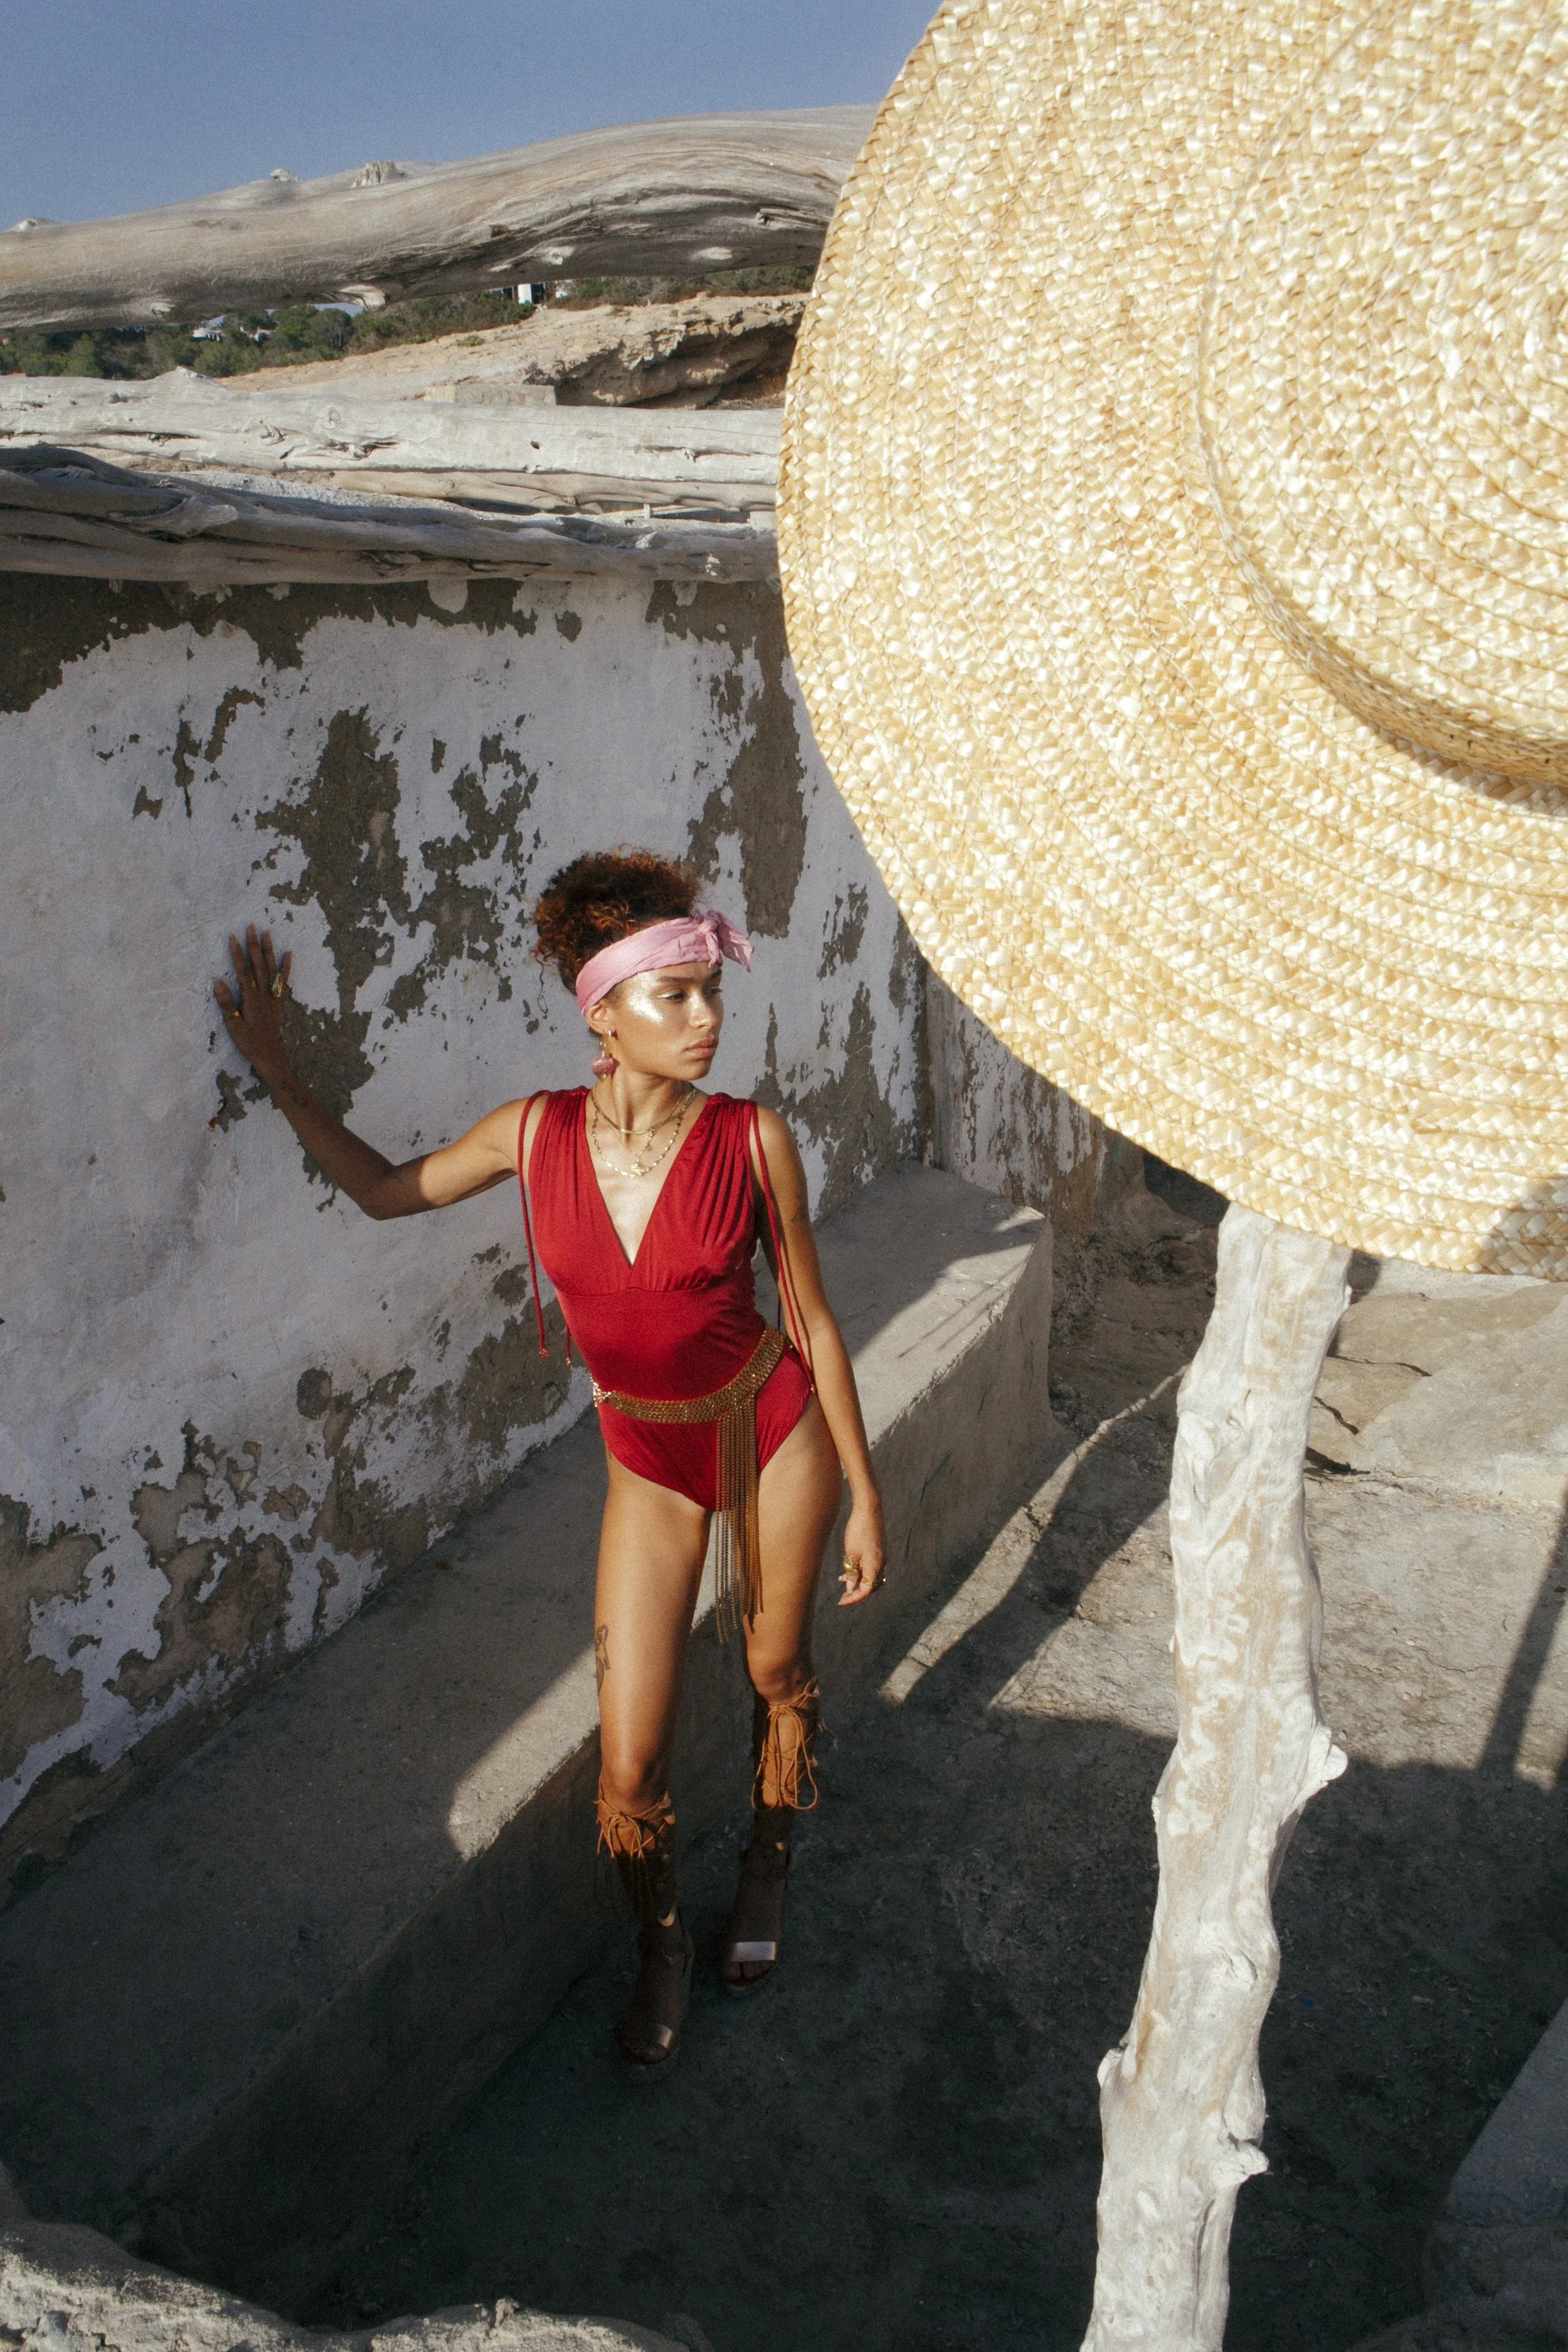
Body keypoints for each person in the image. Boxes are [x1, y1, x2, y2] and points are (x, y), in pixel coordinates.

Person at [215, 845, 887, 2079]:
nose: (707, 1016)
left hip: (769, 1430)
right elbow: (384, 1191)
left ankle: (767, 1862)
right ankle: (661, 1942)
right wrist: (278, 1070)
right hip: (648, 1464)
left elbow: (814, 1321)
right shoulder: (532, 1135)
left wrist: (865, 1493)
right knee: (626, 1764)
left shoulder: (752, 1140)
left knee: (774, 1668)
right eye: (675, 994)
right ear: (604, 1013)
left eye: (710, 990)